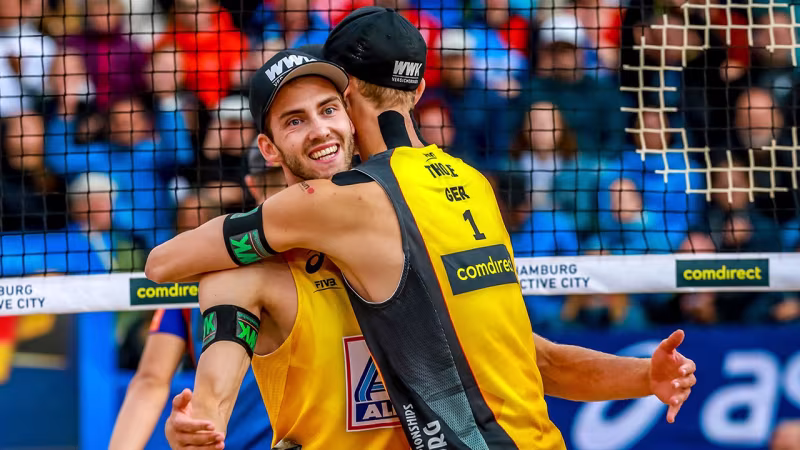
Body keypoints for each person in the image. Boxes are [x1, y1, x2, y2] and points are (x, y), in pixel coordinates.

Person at [147, 9, 696, 449]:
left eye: (327, 108)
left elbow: (164, 262)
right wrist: (201, 420)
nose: (319, 128)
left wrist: (642, 375)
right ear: (420, 87)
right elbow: (531, 358)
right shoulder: (471, 185)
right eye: (296, 119)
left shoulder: (338, 203)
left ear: (349, 101)